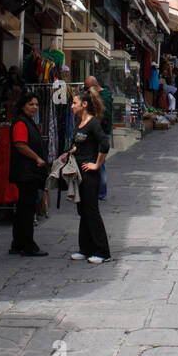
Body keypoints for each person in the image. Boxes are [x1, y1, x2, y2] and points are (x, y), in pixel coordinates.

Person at [68, 87, 111, 264]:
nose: (72, 106)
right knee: (83, 211)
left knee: (91, 211)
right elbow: (83, 145)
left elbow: (104, 144)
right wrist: (70, 152)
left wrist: (97, 164)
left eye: (74, 103)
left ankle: (103, 252)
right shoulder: (80, 123)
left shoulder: (93, 123)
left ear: (84, 105)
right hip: (78, 173)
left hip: (89, 175)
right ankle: (85, 249)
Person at [8, 92, 50, 256]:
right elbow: (20, 144)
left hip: (29, 172)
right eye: (31, 104)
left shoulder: (29, 122)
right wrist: (37, 158)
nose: (34, 107)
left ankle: (17, 243)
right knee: (26, 210)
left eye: (36, 105)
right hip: (26, 173)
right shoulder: (21, 123)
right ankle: (27, 245)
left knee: (23, 209)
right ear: (23, 105)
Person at [83, 74, 113, 201]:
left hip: (102, 132)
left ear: (94, 86)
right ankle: (97, 190)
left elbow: (103, 115)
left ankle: (101, 192)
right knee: (98, 161)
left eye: (87, 88)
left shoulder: (103, 97)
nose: (86, 90)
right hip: (99, 132)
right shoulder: (104, 95)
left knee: (100, 162)